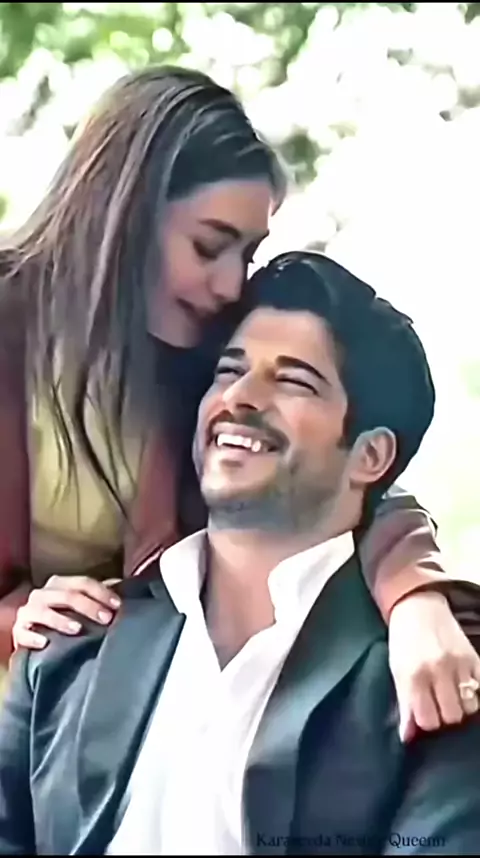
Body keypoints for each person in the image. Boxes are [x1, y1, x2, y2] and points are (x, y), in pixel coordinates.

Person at [1, 65, 479, 737]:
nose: (231, 285)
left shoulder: (205, 364)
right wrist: (14, 621)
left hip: (100, 736)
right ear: (121, 214)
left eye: (247, 255)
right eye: (209, 246)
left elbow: (358, 477)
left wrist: (417, 600)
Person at [1, 250, 479, 856]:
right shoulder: (70, 643)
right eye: (229, 371)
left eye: (293, 380)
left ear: (370, 456)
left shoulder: (434, 675)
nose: (240, 396)